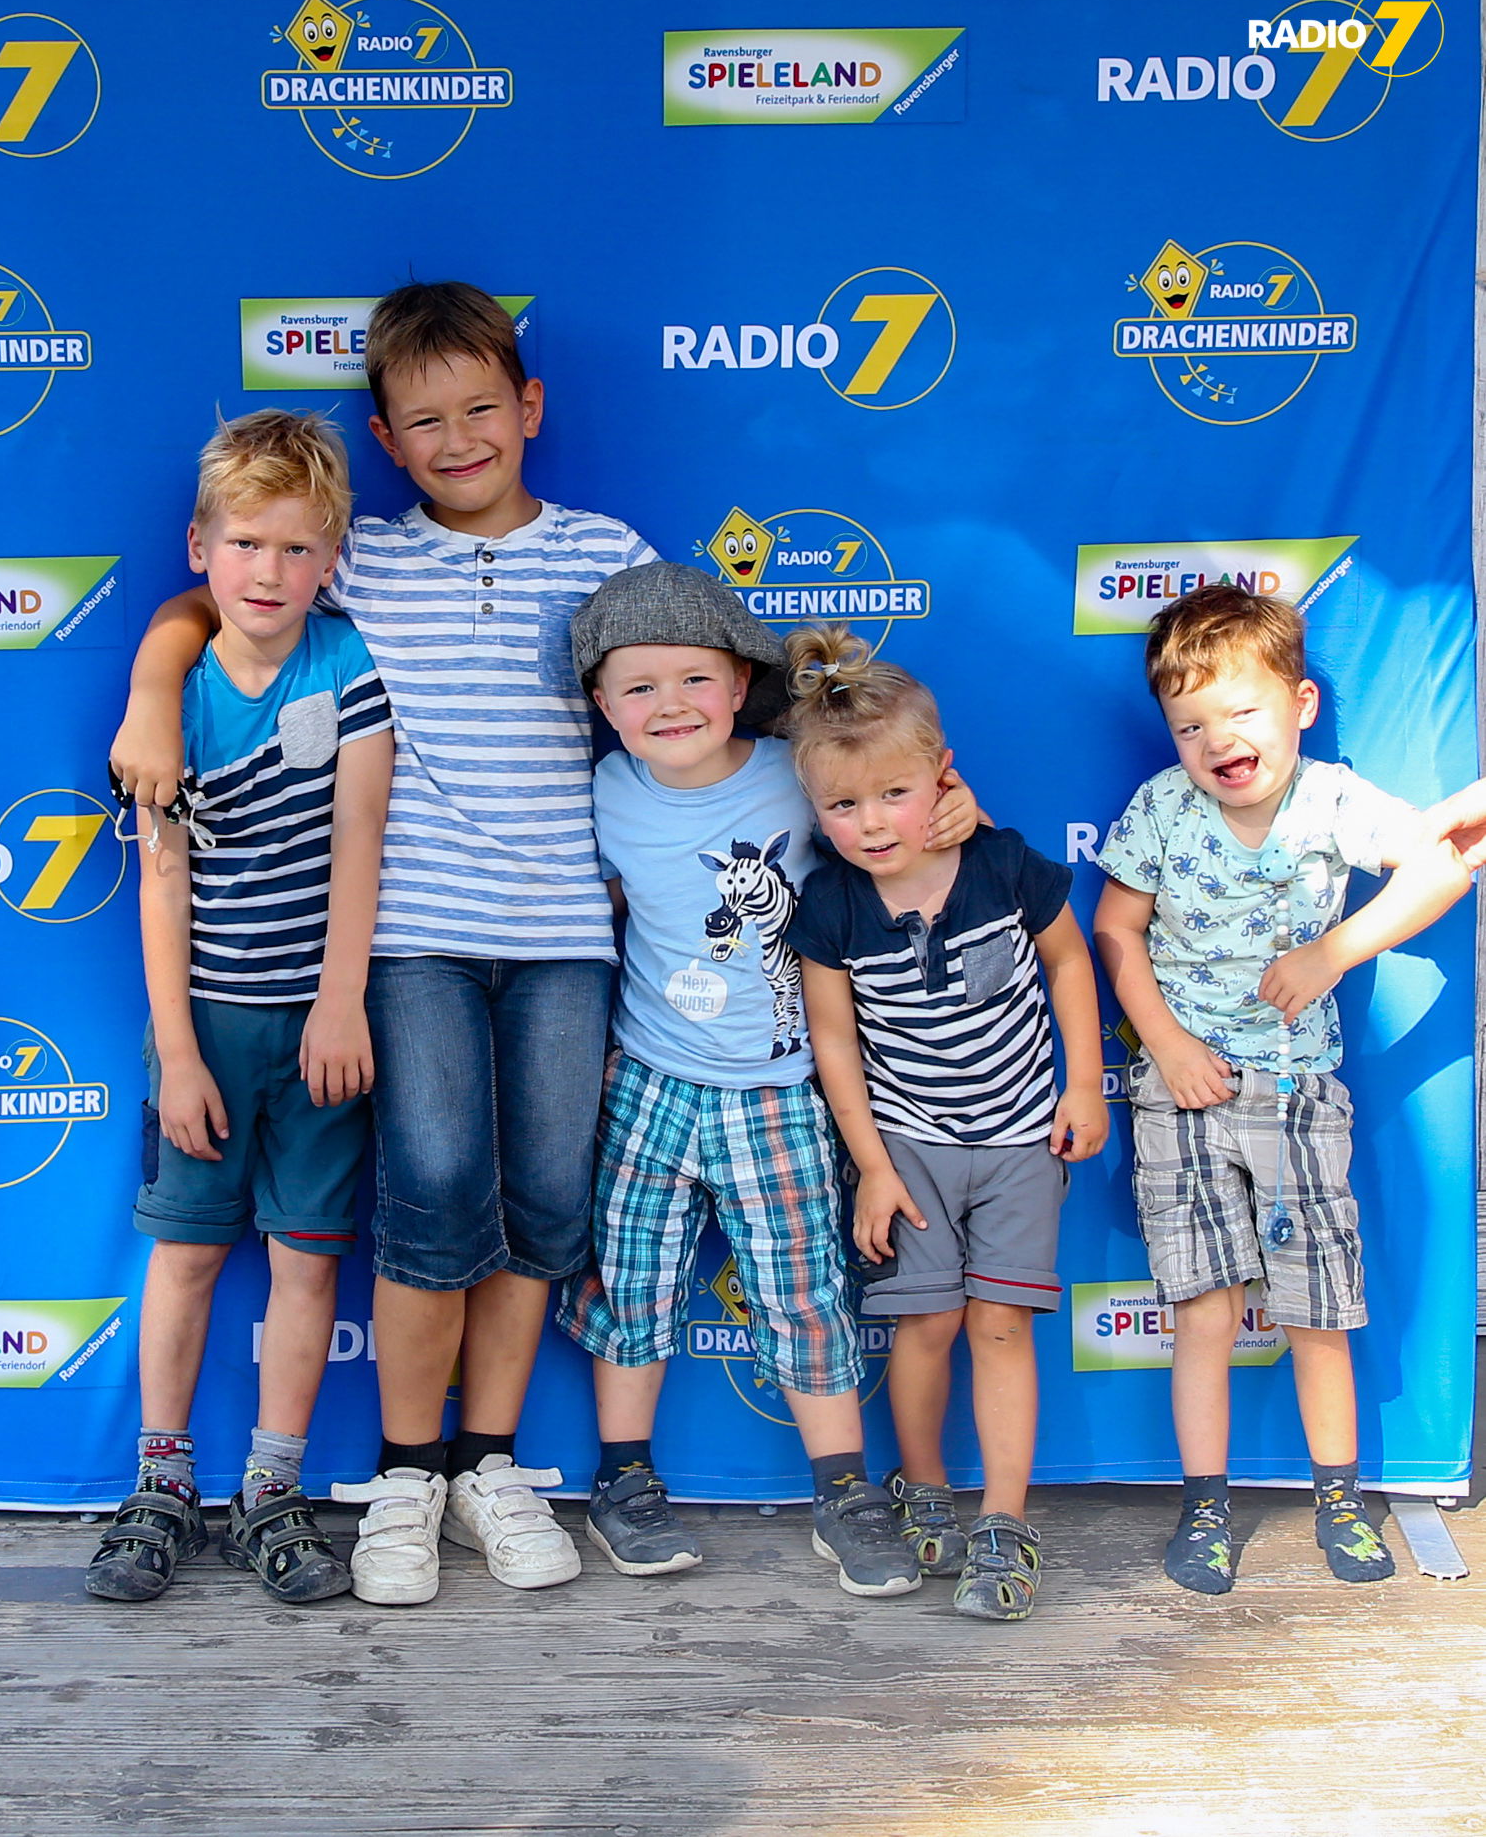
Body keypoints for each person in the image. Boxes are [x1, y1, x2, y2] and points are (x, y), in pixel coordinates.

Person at [108, 282, 654, 1603]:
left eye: (481, 409)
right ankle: (406, 1471)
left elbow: (697, 681)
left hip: (562, 937)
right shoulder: (358, 557)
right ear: (386, 439)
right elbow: (217, 597)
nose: (457, 439)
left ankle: (487, 1463)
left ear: (529, 408)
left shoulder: (605, 551)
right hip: (409, 939)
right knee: (432, 1193)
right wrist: (150, 690)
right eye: (424, 420)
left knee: (544, 1200)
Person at [555, 564, 979, 1596]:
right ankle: (623, 1478)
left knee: (802, 1293)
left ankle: (843, 1491)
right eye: (638, 687)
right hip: (650, 1078)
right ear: (602, 705)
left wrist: (956, 808)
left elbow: (892, 801)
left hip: (780, 1085)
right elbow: (600, 911)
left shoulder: (797, 770)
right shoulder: (603, 791)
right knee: (632, 1284)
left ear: (741, 684)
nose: (670, 706)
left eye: (694, 680)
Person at [1092, 583, 1471, 1593]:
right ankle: (1204, 1504)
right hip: (1180, 1100)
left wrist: (1329, 954)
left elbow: (1439, 870)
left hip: (1297, 1097)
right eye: (1189, 726)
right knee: (1202, 1312)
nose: (1217, 740)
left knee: (1315, 1310)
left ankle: (1337, 1498)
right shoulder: (1159, 809)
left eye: (1240, 712)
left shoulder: (1331, 798)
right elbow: (1115, 928)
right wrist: (1166, 1045)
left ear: (1299, 705)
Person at [86, 410, 393, 1604]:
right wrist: (177, 1052)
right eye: (247, 544)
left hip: (319, 1026)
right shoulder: (176, 700)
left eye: (299, 548)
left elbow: (360, 841)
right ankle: (160, 1481)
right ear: (199, 550)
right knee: (187, 1253)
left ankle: (272, 1487)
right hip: (206, 1023)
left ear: (331, 558)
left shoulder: (347, 664)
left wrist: (340, 1000)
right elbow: (162, 881)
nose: (270, 571)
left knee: (308, 1261)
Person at [780, 623, 1107, 1621]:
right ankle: (921, 1485)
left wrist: (1084, 1084)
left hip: (1018, 1143)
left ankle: (1004, 1518)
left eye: (892, 792)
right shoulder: (828, 905)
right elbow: (833, 1044)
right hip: (909, 1149)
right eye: (842, 804)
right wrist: (872, 1167)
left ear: (942, 777)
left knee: (1000, 1326)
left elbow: (1068, 961)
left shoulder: (1001, 864)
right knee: (924, 1326)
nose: (871, 822)